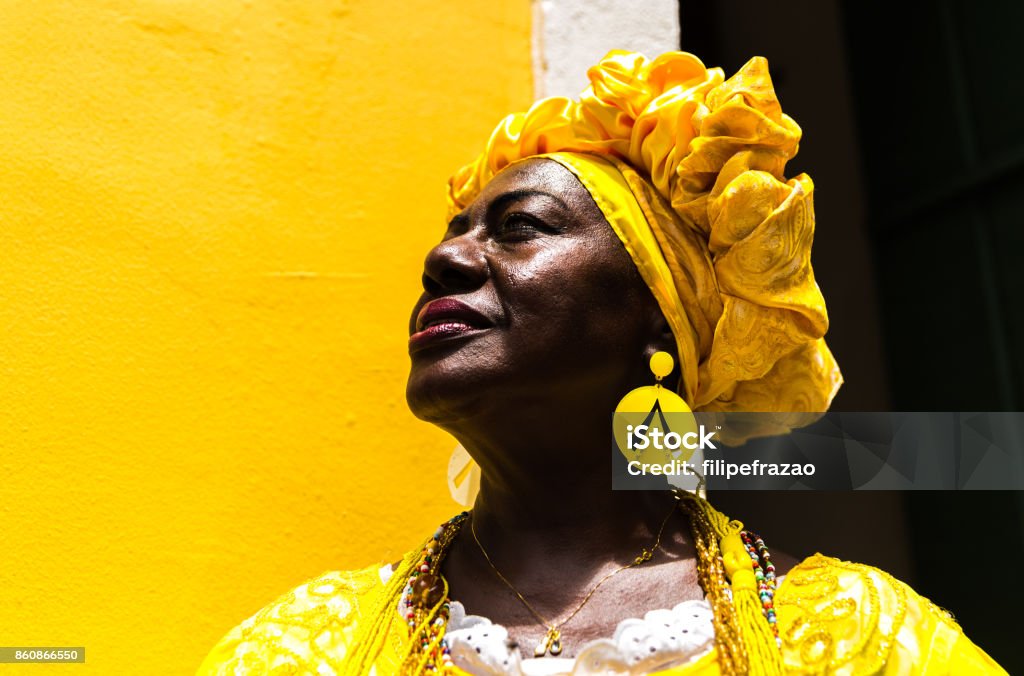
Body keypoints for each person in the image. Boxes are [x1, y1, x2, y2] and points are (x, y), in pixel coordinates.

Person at [196, 51, 1006, 675]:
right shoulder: (302, 647)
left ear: (660, 317)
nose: (444, 260)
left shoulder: (854, 635)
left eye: (521, 227)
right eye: (452, 231)